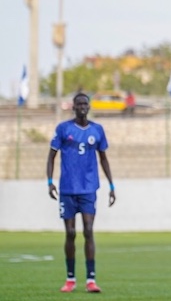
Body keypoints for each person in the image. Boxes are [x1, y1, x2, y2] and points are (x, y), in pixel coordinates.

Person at [47, 92, 116, 293]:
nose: (82, 107)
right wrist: (50, 182)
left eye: (85, 103)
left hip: (88, 188)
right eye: (79, 104)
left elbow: (103, 158)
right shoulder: (63, 129)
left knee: (88, 230)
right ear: (74, 107)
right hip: (68, 188)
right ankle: (70, 279)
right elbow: (51, 156)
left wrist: (111, 185)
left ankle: (91, 280)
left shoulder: (97, 130)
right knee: (70, 233)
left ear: (89, 106)